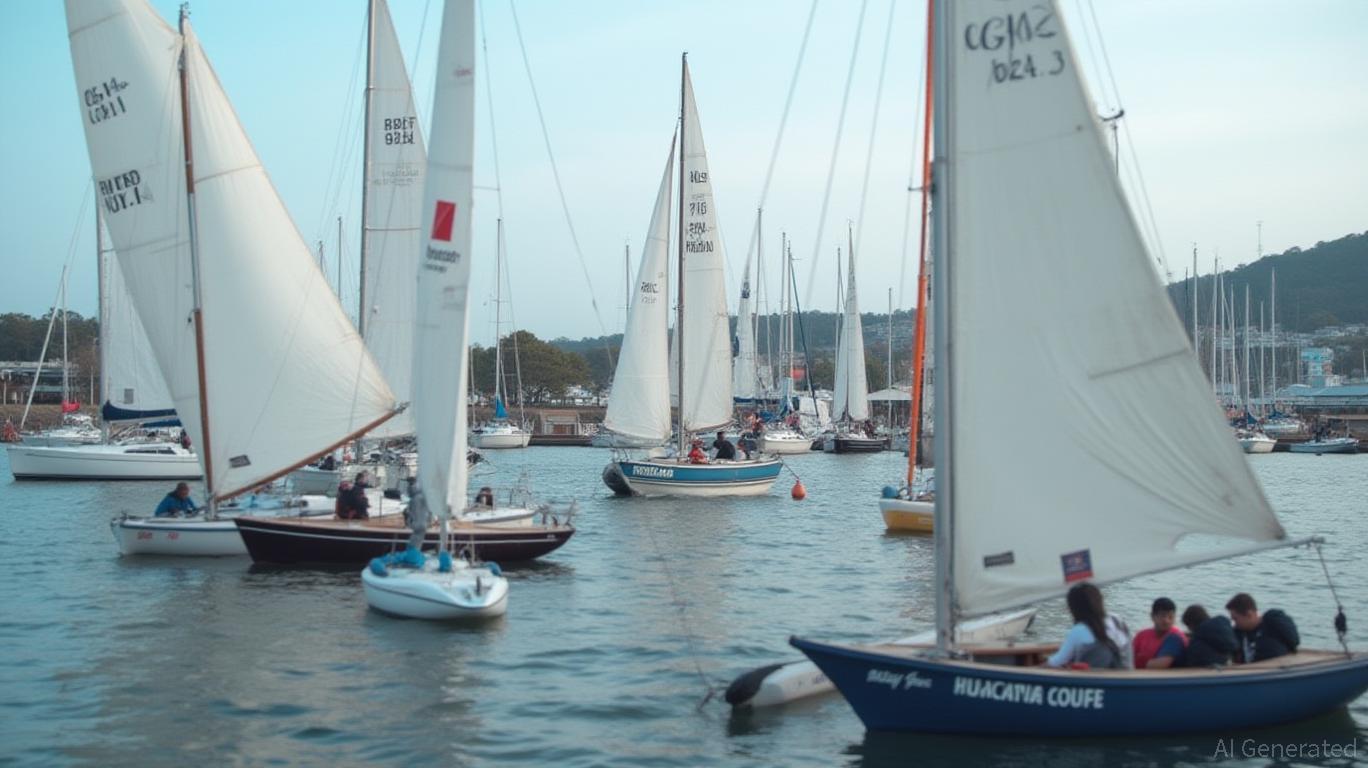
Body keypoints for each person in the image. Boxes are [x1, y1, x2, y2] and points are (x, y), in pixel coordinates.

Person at [1044, 583, 1125, 669]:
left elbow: (1057, 662)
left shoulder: (1080, 629)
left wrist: (1036, 668)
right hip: (1122, 676)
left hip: (1092, 680)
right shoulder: (1116, 620)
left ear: (1075, 608)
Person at [1226, 593, 1299, 664]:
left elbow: (1294, 640)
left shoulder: (1272, 623)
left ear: (1249, 614)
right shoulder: (1238, 633)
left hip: (1276, 669)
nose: (1234, 623)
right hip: (1250, 672)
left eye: (1235, 619)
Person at [1133, 597, 1187, 669]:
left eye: (1170, 617)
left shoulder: (1177, 637)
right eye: (1163, 616)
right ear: (1152, 616)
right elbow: (1128, 658)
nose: (1166, 621)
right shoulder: (1141, 636)